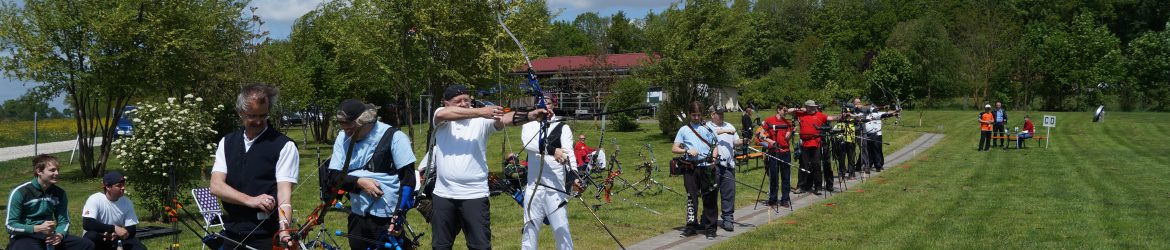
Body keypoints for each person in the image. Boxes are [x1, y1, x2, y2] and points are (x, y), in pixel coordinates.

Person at [430, 84, 544, 250]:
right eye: (458, 101)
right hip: (443, 194)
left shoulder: (481, 122)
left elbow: (505, 119)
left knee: (480, 246)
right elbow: (443, 114)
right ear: (446, 103)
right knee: (440, 246)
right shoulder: (442, 118)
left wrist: (530, 115)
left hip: (475, 194)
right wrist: (481, 111)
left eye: (466, 100)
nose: (463, 103)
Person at [210, 83, 299, 249]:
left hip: (266, 236)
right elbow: (216, 186)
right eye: (252, 116)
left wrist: (284, 232)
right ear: (240, 113)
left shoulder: (284, 146)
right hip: (231, 233)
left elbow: (284, 195)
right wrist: (250, 200)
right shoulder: (227, 142)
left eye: (263, 115)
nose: (258, 121)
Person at [322, 99, 417, 250]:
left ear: (366, 122)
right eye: (343, 128)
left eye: (351, 129)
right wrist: (359, 182)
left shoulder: (395, 137)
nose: (347, 133)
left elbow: (408, 181)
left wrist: (398, 217)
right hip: (357, 214)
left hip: (386, 216)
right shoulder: (342, 137)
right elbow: (333, 176)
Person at [519, 96, 576, 249]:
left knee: (561, 227)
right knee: (530, 227)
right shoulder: (529, 126)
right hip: (534, 186)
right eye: (540, 105)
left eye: (548, 104)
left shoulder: (562, 127)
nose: (545, 107)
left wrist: (574, 174)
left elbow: (568, 152)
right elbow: (529, 144)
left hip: (555, 185)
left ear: (554, 105)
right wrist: (553, 151)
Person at [6, 154, 95, 250]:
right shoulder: (20, 192)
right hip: (24, 236)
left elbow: (64, 221)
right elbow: (10, 225)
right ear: (39, 171)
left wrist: (59, 235)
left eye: (58, 170)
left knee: (86, 245)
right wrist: (37, 228)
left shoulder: (59, 193)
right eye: (52, 170)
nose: (57, 173)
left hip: (49, 236)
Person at [671, 101, 719, 238]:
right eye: (693, 115)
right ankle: (691, 226)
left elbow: (715, 145)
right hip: (690, 168)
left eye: (698, 115)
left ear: (702, 114)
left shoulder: (709, 128)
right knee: (691, 197)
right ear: (689, 114)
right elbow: (674, 148)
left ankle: (710, 228)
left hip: (707, 167)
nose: (696, 118)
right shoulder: (684, 129)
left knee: (709, 197)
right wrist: (686, 150)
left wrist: (714, 160)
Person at [789, 100, 845, 195]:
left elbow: (831, 118)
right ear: (806, 107)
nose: (813, 108)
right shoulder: (801, 114)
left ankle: (818, 187)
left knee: (816, 165)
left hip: (816, 143)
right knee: (803, 165)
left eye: (814, 106)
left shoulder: (820, 115)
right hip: (804, 144)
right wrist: (802, 108)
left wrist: (841, 116)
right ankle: (801, 186)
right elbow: (788, 111)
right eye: (811, 107)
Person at [81, 171, 145, 250]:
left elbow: (132, 228)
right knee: (91, 236)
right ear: (108, 187)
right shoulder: (95, 199)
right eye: (119, 186)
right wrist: (113, 228)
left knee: (139, 247)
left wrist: (117, 234)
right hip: (99, 237)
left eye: (123, 185)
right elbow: (87, 223)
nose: (123, 188)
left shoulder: (127, 202)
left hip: (116, 238)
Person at [706, 108, 740, 232]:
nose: (721, 116)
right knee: (711, 193)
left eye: (722, 113)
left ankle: (728, 219)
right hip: (713, 166)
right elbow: (715, 132)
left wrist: (745, 140)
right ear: (712, 114)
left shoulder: (729, 125)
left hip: (729, 165)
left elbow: (736, 141)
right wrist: (726, 131)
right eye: (719, 114)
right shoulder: (707, 126)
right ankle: (708, 218)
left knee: (729, 193)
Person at [760, 104, 793, 208]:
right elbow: (761, 135)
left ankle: (785, 199)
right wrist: (770, 141)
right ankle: (773, 199)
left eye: (787, 110)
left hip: (785, 151)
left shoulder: (787, 122)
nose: (786, 112)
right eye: (784, 110)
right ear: (778, 110)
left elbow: (787, 138)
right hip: (773, 151)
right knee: (774, 176)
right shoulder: (769, 120)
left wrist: (792, 132)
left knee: (786, 176)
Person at [858, 103, 899, 173]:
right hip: (866, 135)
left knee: (877, 150)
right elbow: (856, 115)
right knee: (868, 150)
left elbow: (886, 114)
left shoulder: (877, 114)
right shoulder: (863, 115)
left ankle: (878, 165)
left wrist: (895, 112)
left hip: (876, 134)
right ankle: (869, 165)